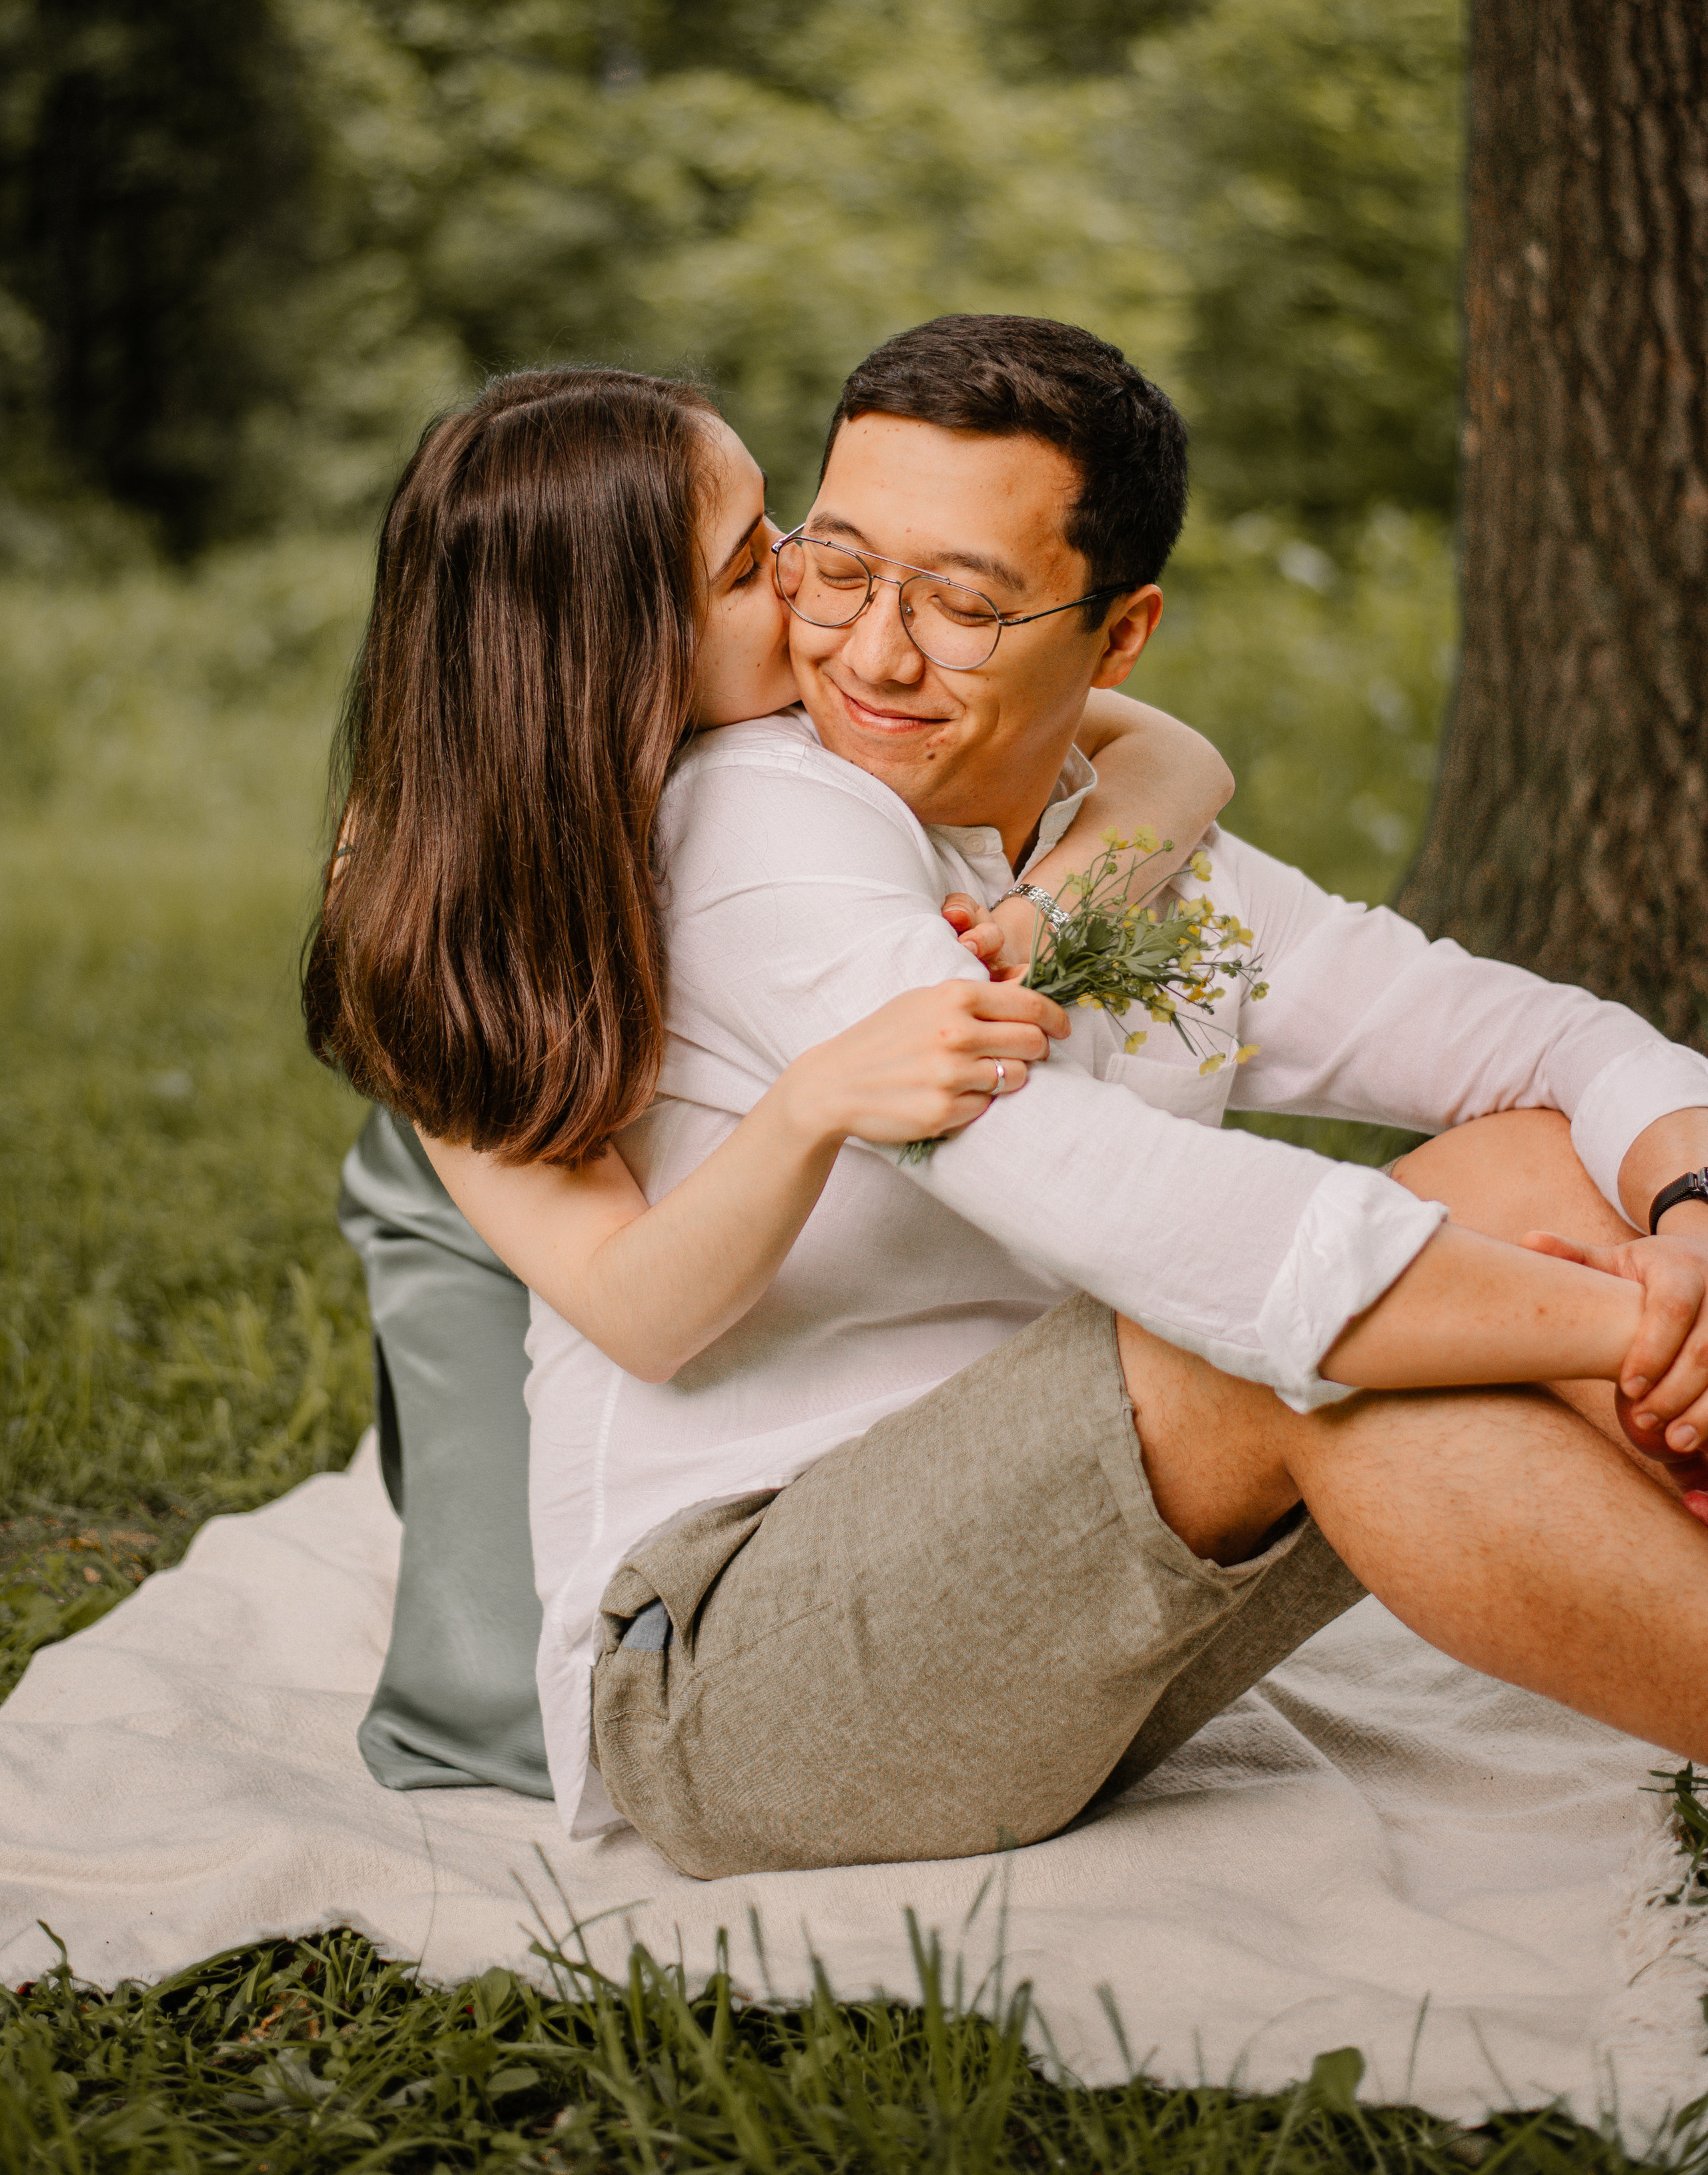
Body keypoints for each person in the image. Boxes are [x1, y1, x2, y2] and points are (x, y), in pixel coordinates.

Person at [332, 320, 1708, 1873]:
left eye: (964, 602)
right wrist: (1617, 1319)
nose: (863, 649)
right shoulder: (742, 824)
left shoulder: (1109, 845)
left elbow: (1544, 1038)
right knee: (1242, 1336)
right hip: (730, 1674)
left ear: (1115, 635)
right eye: (820, 567)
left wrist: (1686, 1228)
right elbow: (1096, 1193)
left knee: (1534, 1167)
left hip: (1038, 1622)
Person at [308, 364, 1234, 1795]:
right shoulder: (431, 898)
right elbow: (635, 1307)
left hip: (668, 1145)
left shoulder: (792, 722)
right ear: (620, 646)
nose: (811, 580)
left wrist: (1041, 908)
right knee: (490, 1683)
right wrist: (810, 1101)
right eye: (756, 561)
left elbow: (1171, 753)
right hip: (502, 1177)